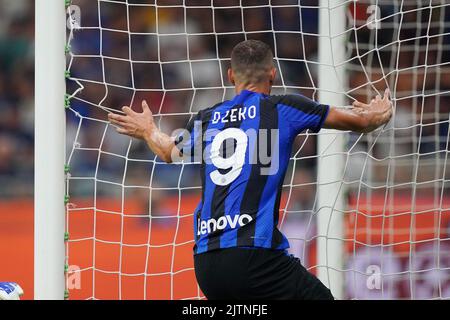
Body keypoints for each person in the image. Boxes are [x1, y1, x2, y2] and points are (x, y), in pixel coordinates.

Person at [108, 40, 393, 300]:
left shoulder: (206, 118)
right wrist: (379, 112)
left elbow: (167, 151)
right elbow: (359, 121)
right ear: (273, 74)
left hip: (207, 263)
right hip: (254, 257)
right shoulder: (284, 108)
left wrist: (148, 130)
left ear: (231, 75)